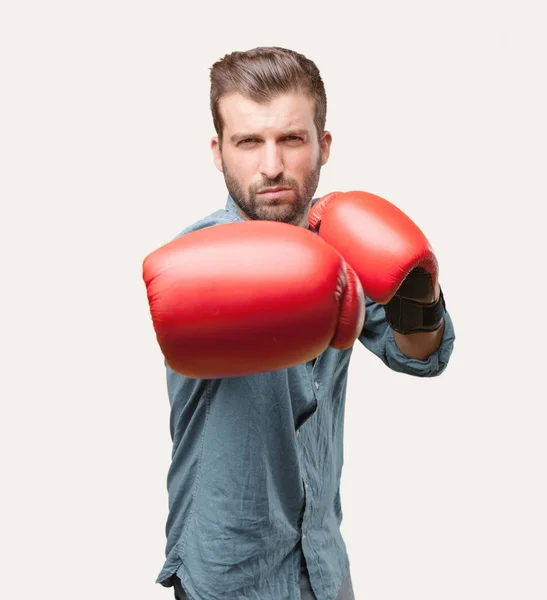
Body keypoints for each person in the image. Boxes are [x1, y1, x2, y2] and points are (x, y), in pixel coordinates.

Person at [143, 46, 456, 600]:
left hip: (322, 561)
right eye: (248, 142)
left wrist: (417, 295)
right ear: (218, 152)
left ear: (323, 145)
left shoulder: (342, 243)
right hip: (231, 575)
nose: (271, 166)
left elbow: (421, 354)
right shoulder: (197, 260)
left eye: (290, 138)